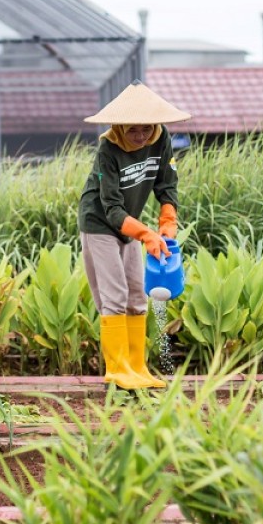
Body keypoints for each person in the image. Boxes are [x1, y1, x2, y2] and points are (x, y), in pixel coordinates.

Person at [78, 81, 191, 390]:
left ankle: (137, 367)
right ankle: (117, 369)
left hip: (129, 224)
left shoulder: (160, 138)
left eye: (146, 128)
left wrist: (167, 221)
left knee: (138, 296)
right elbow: (111, 208)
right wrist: (146, 235)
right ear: (120, 127)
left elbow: (167, 184)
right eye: (133, 130)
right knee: (114, 296)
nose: (141, 136)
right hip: (100, 223)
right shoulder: (108, 149)